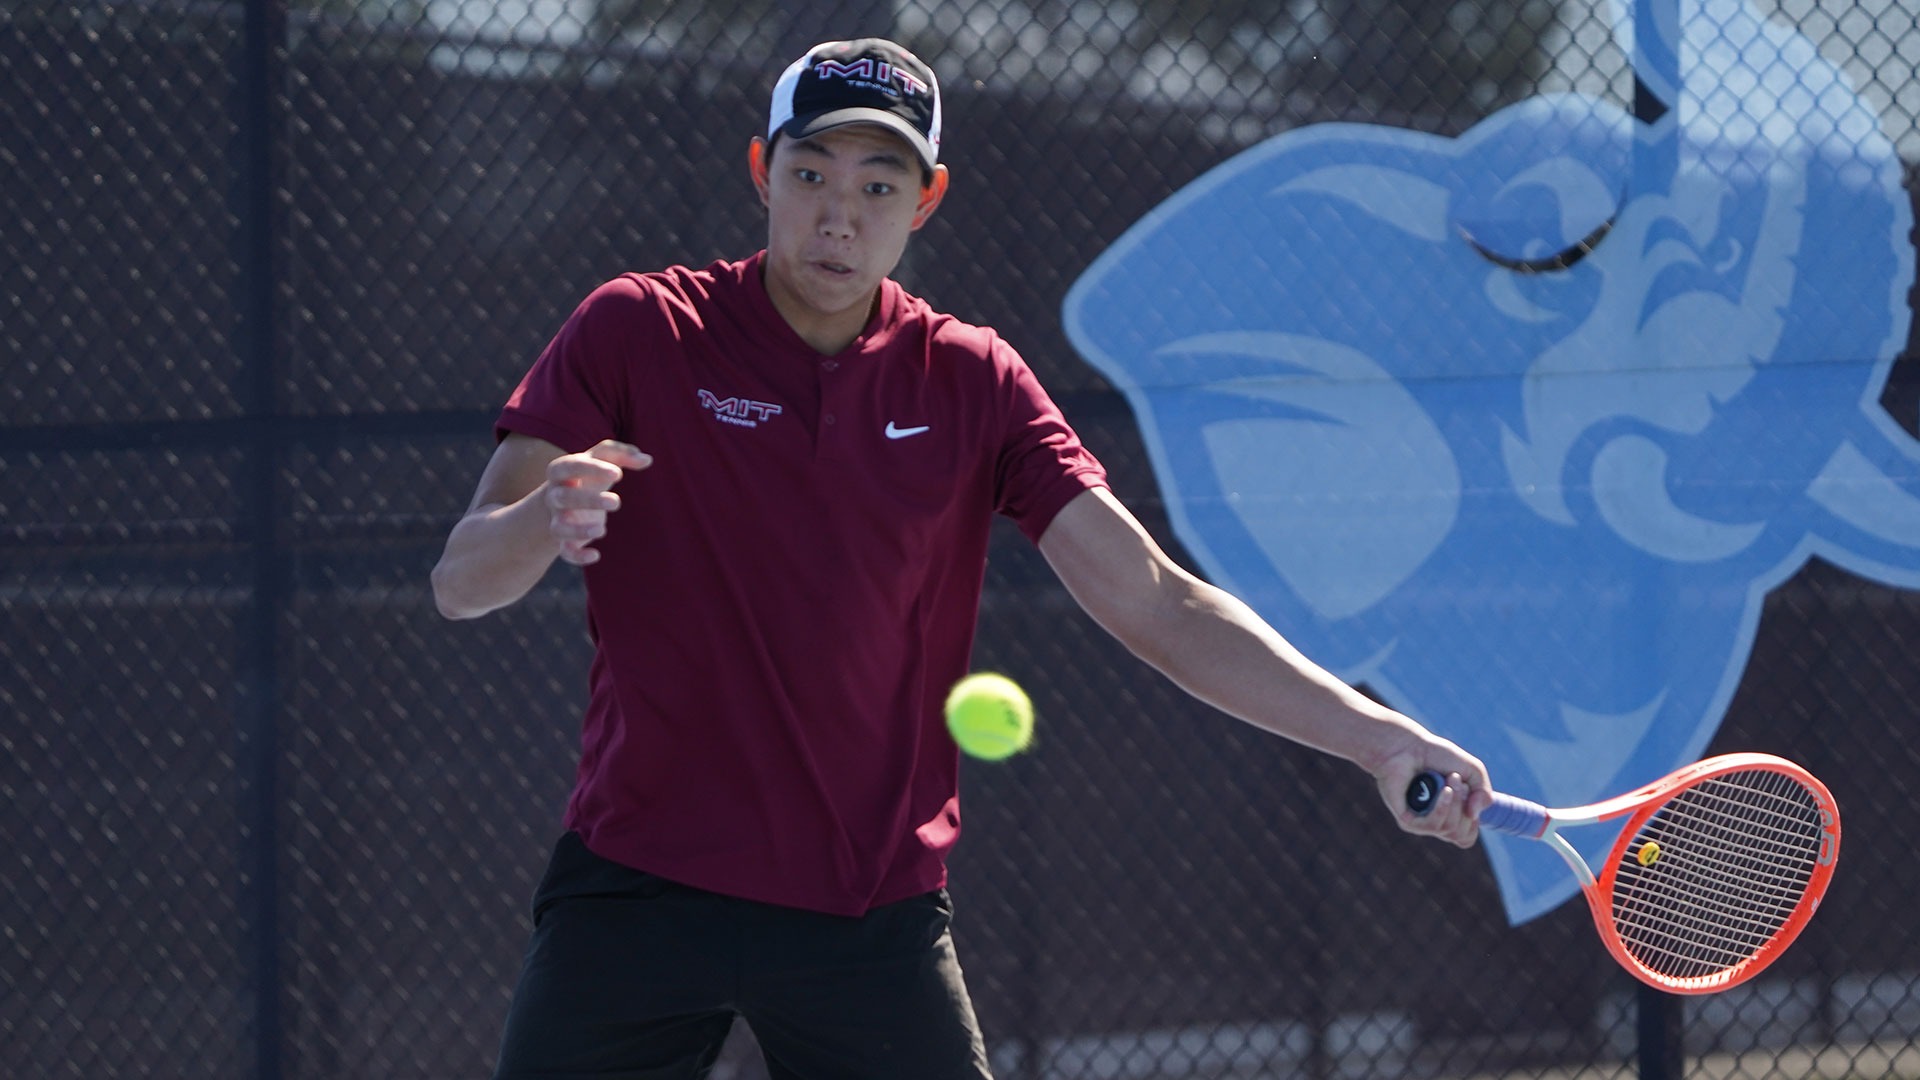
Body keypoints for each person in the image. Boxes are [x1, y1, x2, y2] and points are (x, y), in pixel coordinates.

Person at [431, 36, 1492, 1080]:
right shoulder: (637, 330)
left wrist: (1376, 737)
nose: (839, 215)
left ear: (926, 200)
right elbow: (460, 579)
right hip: (636, 895)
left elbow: (1158, 603)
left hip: (867, 919)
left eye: (879, 185)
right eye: (810, 175)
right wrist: (538, 524)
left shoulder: (973, 382)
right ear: (763, 173)